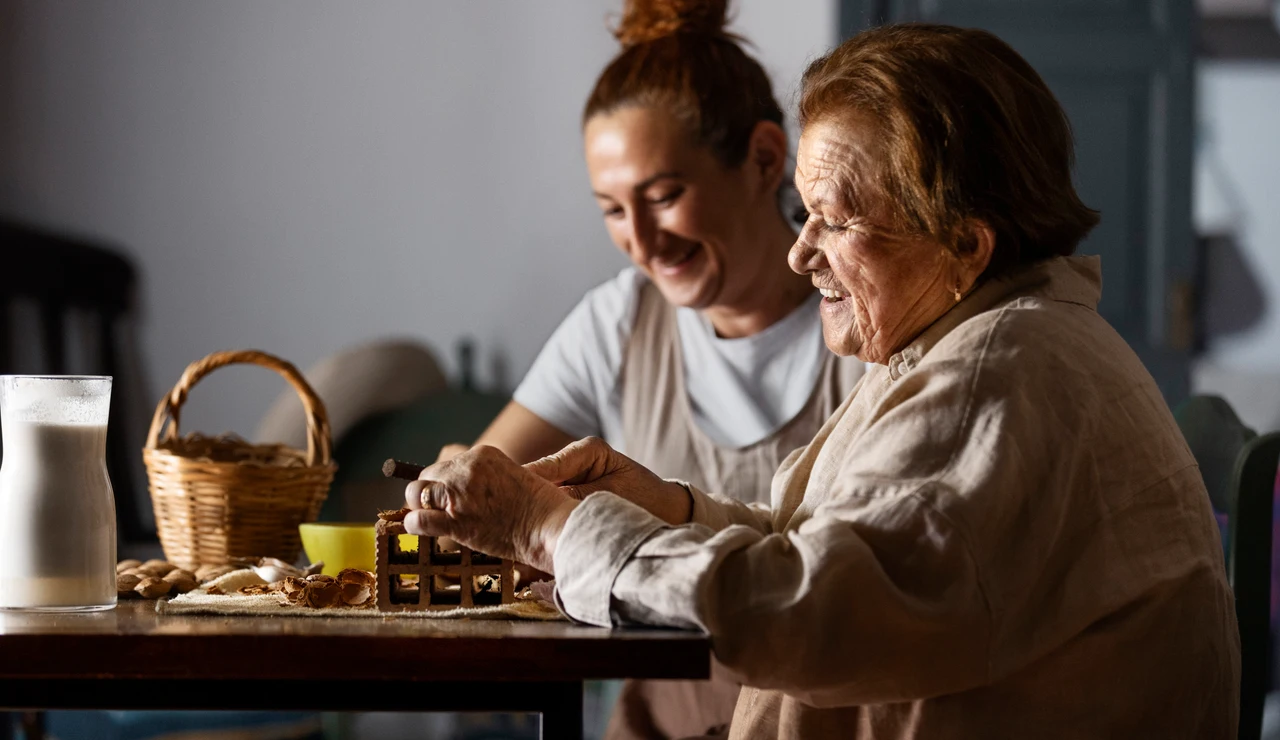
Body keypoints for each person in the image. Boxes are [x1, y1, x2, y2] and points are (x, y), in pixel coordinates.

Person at [409, 22, 1240, 740]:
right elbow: (833, 544)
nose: (802, 254)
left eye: (836, 221)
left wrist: (548, 532)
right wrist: (666, 505)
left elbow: (811, 614)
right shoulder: (971, 340)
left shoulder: (997, 376)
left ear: (965, 245)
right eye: (805, 215)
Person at [439, 1, 862, 736]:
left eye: (664, 197)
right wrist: (457, 486)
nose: (639, 240)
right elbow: (483, 475)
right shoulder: (620, 321)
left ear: (765, 159)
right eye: (611, 209)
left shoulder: (869, 321)